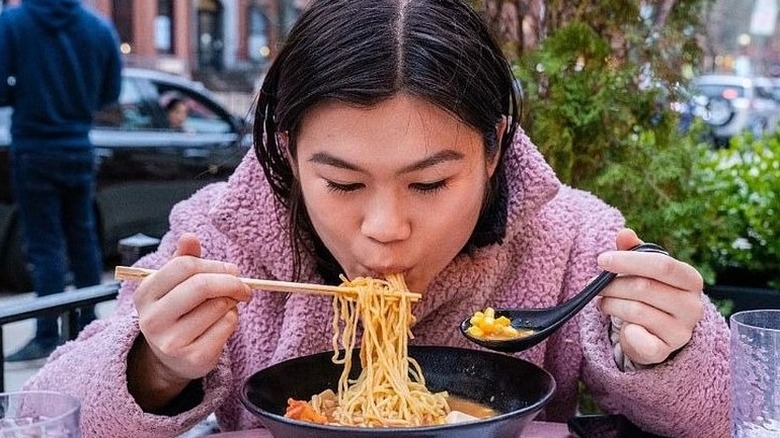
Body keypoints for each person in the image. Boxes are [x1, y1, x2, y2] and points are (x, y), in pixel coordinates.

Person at [24, 0, 730, 436]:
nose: (385, 227)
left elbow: (732, 412)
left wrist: (668, 353)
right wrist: (154, 367)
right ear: (287, 154)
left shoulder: (571, 238)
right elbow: (39, 418)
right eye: (342, 182)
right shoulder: (220, 238)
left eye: (429, 183)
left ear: (493, 150)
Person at [0, 0, 122, 362]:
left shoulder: (14, 23)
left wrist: (27, 94)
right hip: (78, 146)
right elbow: (110, 92)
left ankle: (47, 334)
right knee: (83, 240)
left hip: (34, 147)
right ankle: (87, 327)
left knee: (45, 246)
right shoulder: (98, 28)